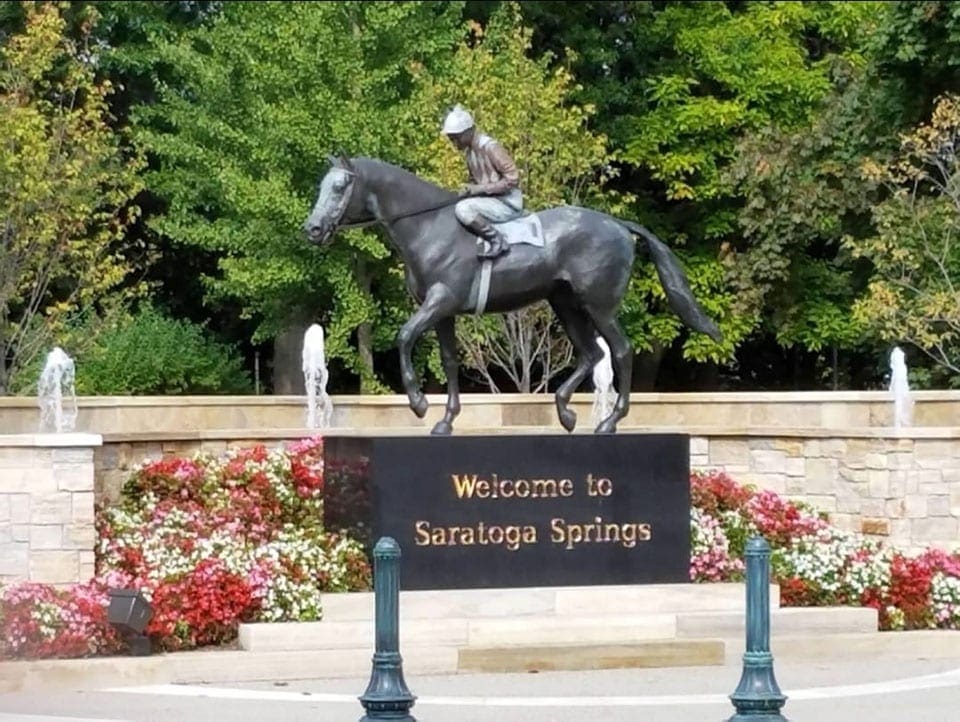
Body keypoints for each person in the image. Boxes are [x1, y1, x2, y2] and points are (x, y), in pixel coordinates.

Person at [441, 105, 523, 259]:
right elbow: (474, 181)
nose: (454, 143)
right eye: (452, 139)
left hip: (507, 203)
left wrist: (480, 189)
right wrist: (467, 190)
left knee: (463, 209)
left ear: (468, 132)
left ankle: (497, 241)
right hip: (491, 202)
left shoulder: (490, 147)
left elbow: (513, 178)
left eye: (455, 138)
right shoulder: (470, 153)